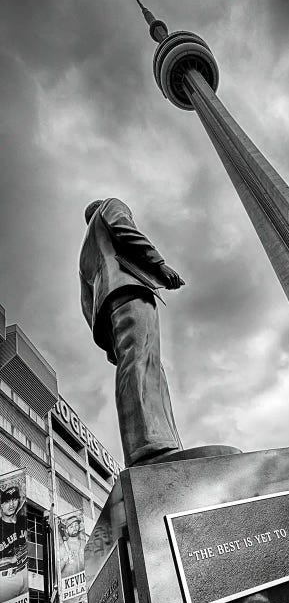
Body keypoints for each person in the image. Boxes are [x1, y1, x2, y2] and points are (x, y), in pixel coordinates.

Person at [79, 197, 184, 467]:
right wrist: (158, 264)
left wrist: (108, 344)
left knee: (141, 361)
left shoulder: (84, 255)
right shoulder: (110, 207)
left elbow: (86, 303)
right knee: (143, 361)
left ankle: (161, 440)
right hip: (128, 288)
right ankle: (150, 443)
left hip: (109, 305)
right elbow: (124, 230)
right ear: (100, 209)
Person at [0, 484, 29, 603]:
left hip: (23, 573)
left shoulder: (21, 521)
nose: (11, 504)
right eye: (6, 501)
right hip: (4, 578)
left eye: (14, 499)